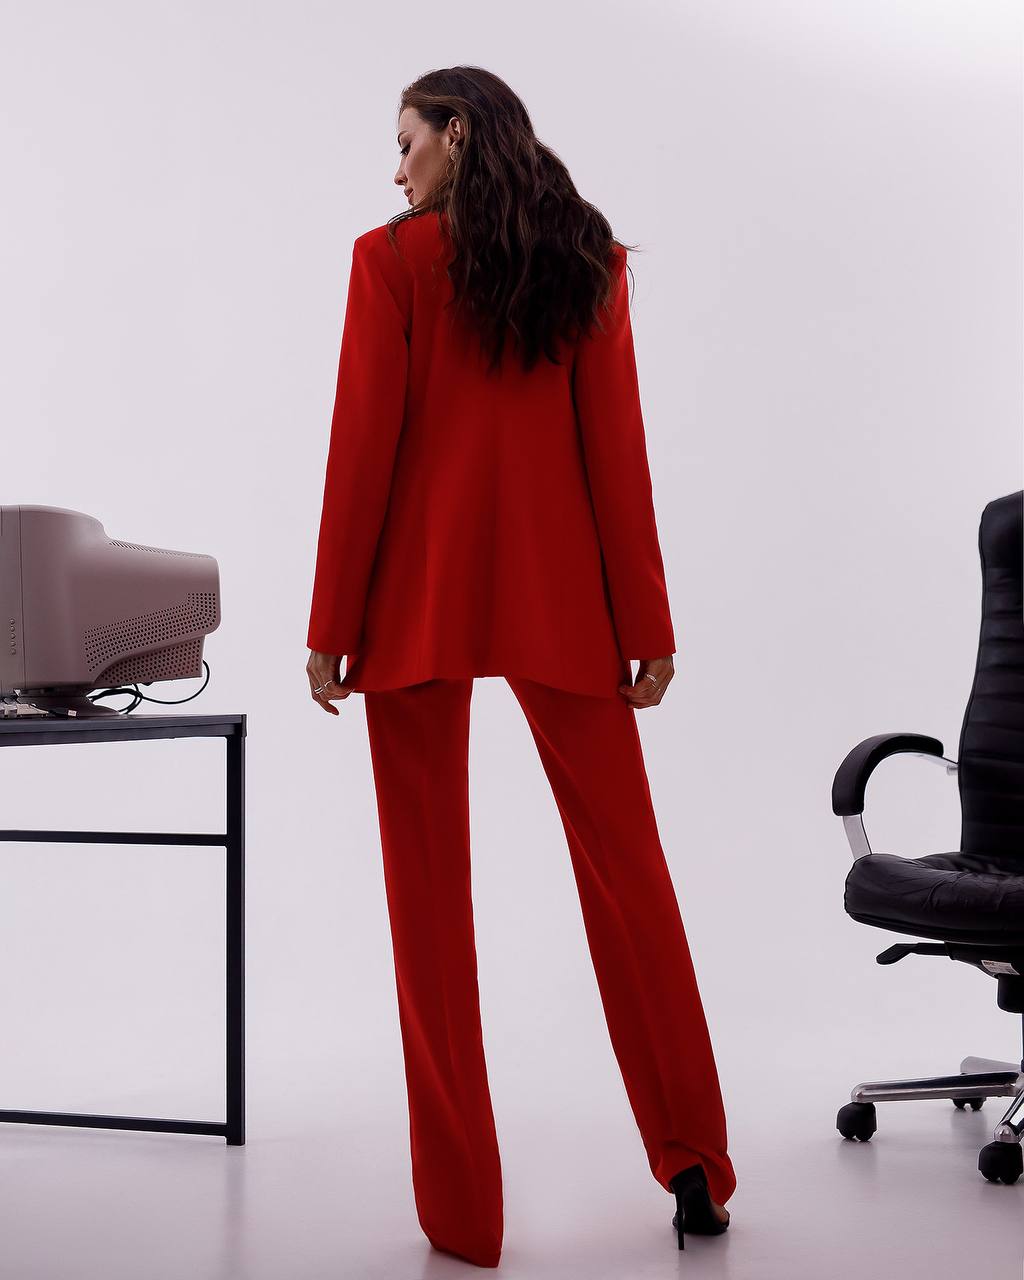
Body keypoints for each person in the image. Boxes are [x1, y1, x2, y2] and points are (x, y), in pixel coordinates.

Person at [305, 65, 735, 1268]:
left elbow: (361, 450)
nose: (395, 168)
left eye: (406, 141)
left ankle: (462, 1213)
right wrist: (644, 621)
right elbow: (616, 454)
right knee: (631, 879)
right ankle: (695, 1166)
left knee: (426, 905)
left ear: (453, 132)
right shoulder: (585, 258)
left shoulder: (389, 262)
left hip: (414, 604)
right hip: (563, 604)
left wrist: (331, 620)